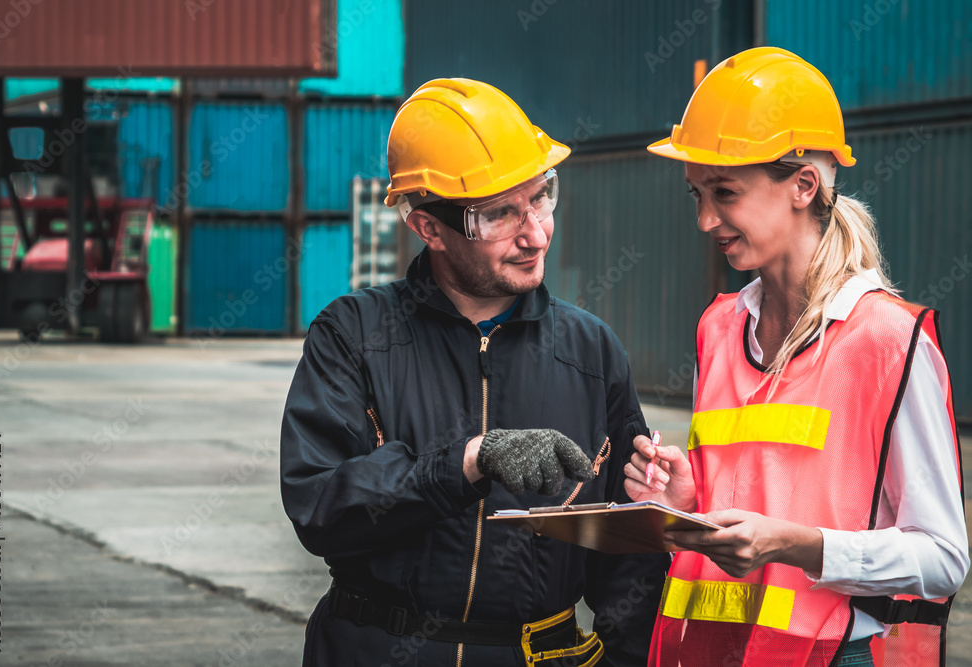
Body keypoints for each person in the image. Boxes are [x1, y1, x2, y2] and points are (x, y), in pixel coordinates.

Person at [281, 78, 670, 667]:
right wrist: (466, 463)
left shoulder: (592, 353)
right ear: (427, 228)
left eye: (540, 198)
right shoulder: (354, 336)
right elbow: (323, 511)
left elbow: (627, 557)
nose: (534, 234)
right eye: (498, 216)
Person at [623, 47, 968, 667]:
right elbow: (749, 504)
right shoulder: (719, 327)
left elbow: (943, 559)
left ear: (803, 186)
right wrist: (685, 501)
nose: (704, 219)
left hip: (840, 652)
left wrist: (800, 546)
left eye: (723, 192)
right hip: (718, 650)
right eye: (695, 194)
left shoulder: (888, 340)